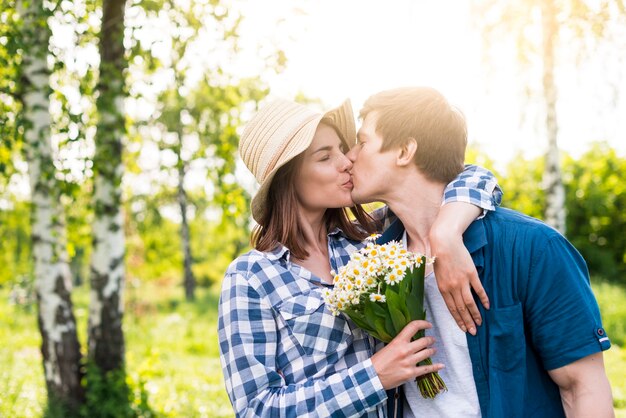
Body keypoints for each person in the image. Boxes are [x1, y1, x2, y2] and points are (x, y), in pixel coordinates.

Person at [217, 97, 502, 417]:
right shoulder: (250, 278)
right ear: (288, 177)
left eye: (343, 148)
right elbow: (256, 409)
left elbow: (471, 177)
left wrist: (446, 232)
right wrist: (374, 376)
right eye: (326, 156)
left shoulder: (371, 242)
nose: (346, 161)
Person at [346, 86, 614, 417]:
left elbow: (582, 387)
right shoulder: (372, 261)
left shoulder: (533, 249)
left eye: (362, 142)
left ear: (404, 151)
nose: (351, 156)